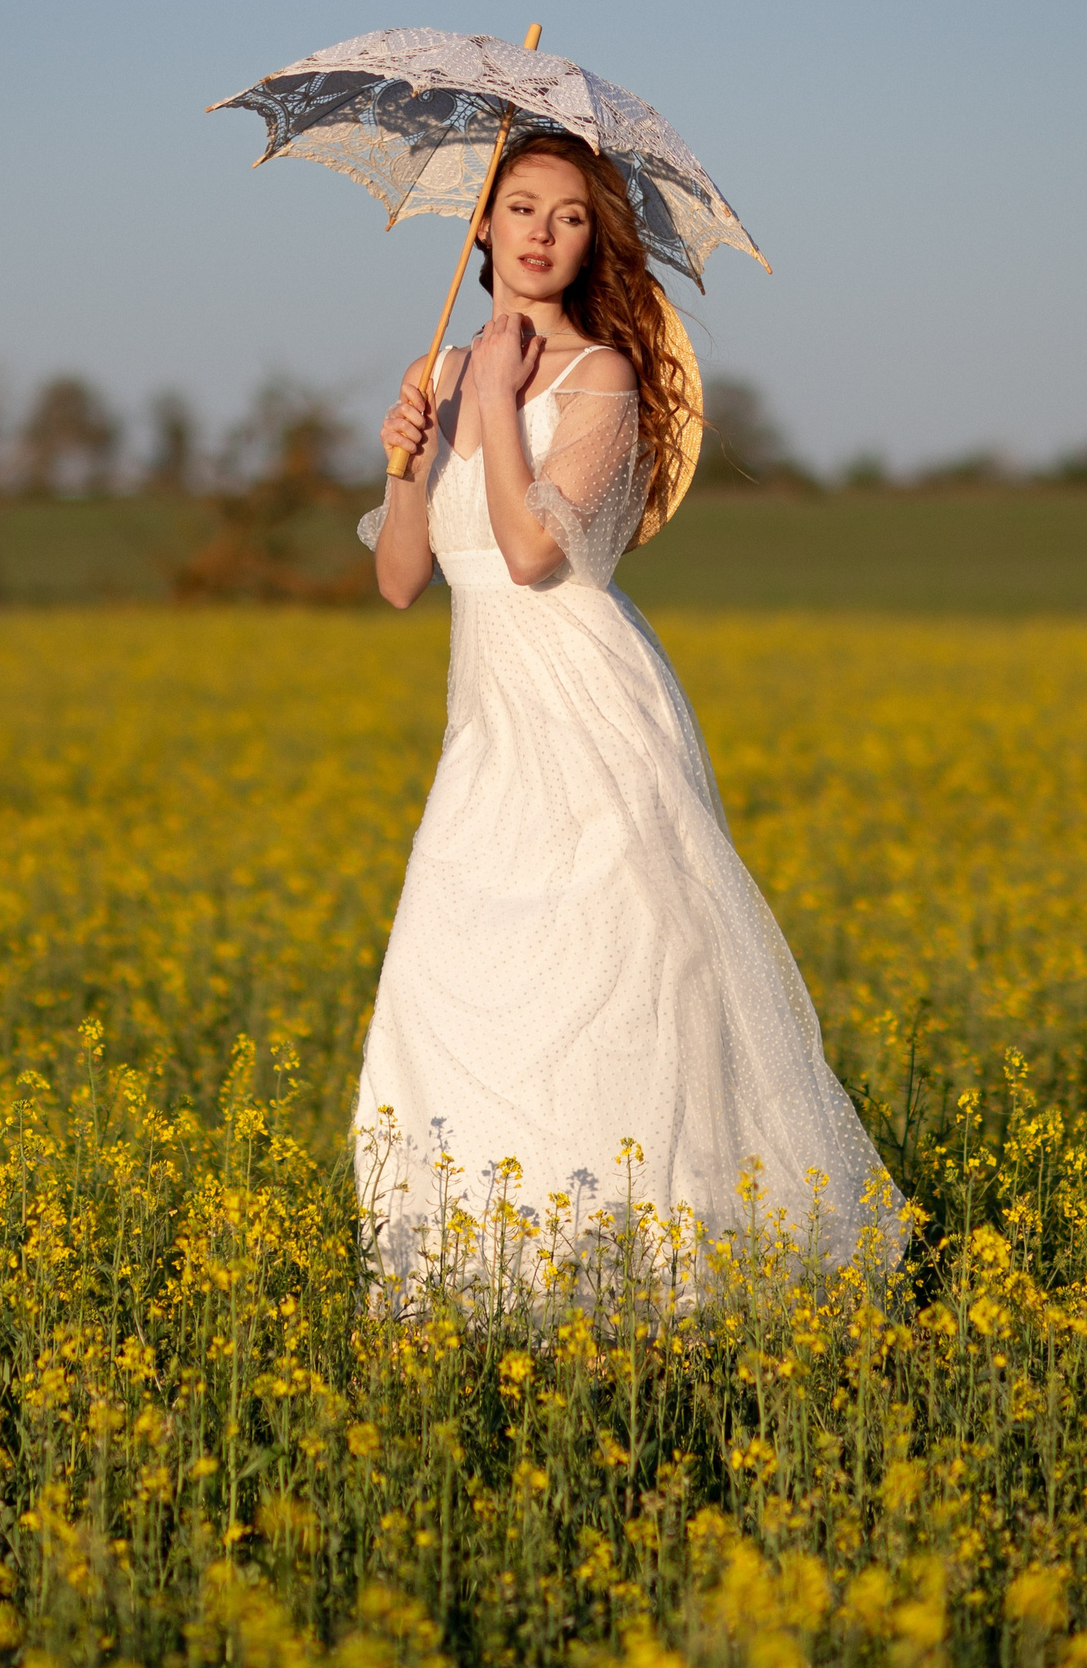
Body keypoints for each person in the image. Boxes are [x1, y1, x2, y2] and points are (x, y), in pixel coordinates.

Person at [354, 130, 897, 1298]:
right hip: (487, 726)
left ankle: (649, 1273)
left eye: (569, 216)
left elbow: (533, 547)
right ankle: (485, 1271)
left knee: (617, 971)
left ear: (590, 241)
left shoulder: (596, 377)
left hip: (587, 709)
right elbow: (404, 579)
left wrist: (495, 405)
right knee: (458, 969)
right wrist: (405, 458)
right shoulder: (440, 376)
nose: (542, 233)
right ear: (480, 229)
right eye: (519, 208)